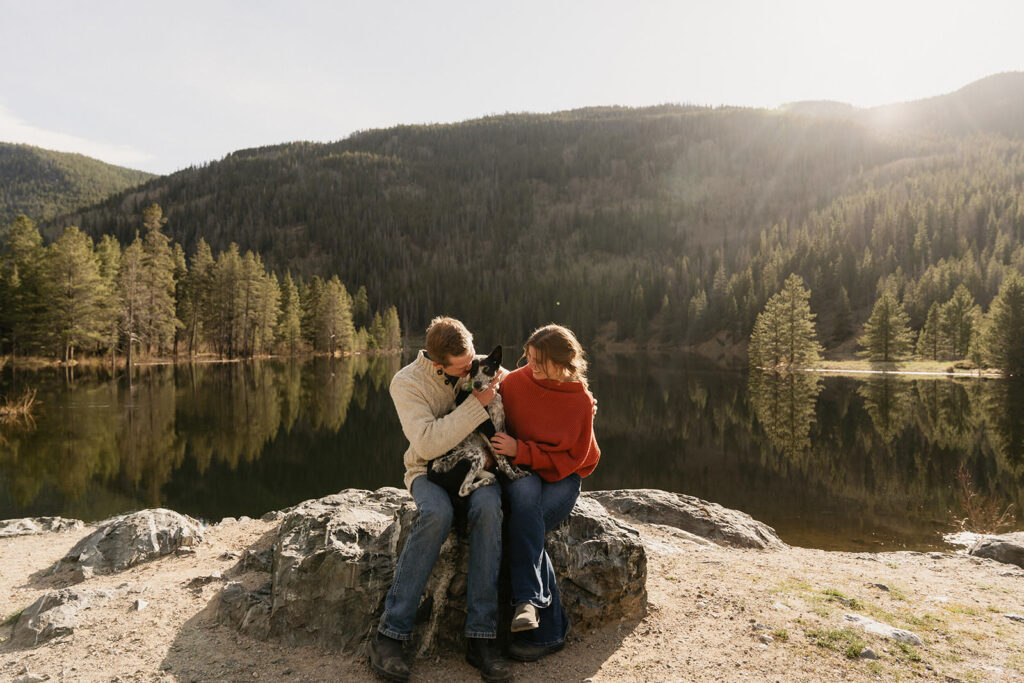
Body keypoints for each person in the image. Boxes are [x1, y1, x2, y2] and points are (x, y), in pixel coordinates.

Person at [369, 316, 513, 682]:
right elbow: (429, 443)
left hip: (477, 469)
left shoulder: (474, 362)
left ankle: (480, 638)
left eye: (473, 362)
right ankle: (390, 633)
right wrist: (477, 404)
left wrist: (576, 400)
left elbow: (520, 383)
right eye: (464, 369)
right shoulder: (406, 384)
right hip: (427, 471)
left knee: (488, 509)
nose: (471, 371)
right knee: (437, 514)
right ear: (439, 365)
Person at [490, 324, 600, 662]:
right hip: (524, 470)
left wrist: (520, 450)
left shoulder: (580, 400)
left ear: (563, 362)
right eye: (529, 357)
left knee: (526, 524)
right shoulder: (516, 382)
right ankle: (543, 622)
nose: (532, 365)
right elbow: (493, 392)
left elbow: (573, 459)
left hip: (563, 475)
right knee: (525, 512)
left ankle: (536, 615)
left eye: (540, 361)